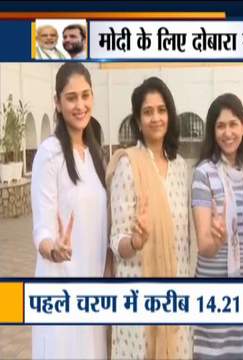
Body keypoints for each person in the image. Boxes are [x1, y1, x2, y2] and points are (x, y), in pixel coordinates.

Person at [106, 77, 192, 359]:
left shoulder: (180, 167)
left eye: (161, 109)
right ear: (138, 120)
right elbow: (116, 241)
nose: (156, 117)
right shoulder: (128, 165)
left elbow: (184, 241)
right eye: (147, 111)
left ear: (170, 114)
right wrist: (135, 240)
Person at [31, 62, 108, 358]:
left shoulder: (94, 155)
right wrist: (53, 248)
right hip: (60, 288)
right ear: (58, 103)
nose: (80, 105)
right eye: (71, 97)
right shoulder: (49, 154)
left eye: (85, 95)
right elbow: (42, 227)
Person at [191, 93, 243, 359]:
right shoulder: (203, 174)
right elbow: (205, 247)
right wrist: (217, 238)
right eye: (220, 126)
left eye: (233, 124)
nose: (228, 133)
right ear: (212, 131)